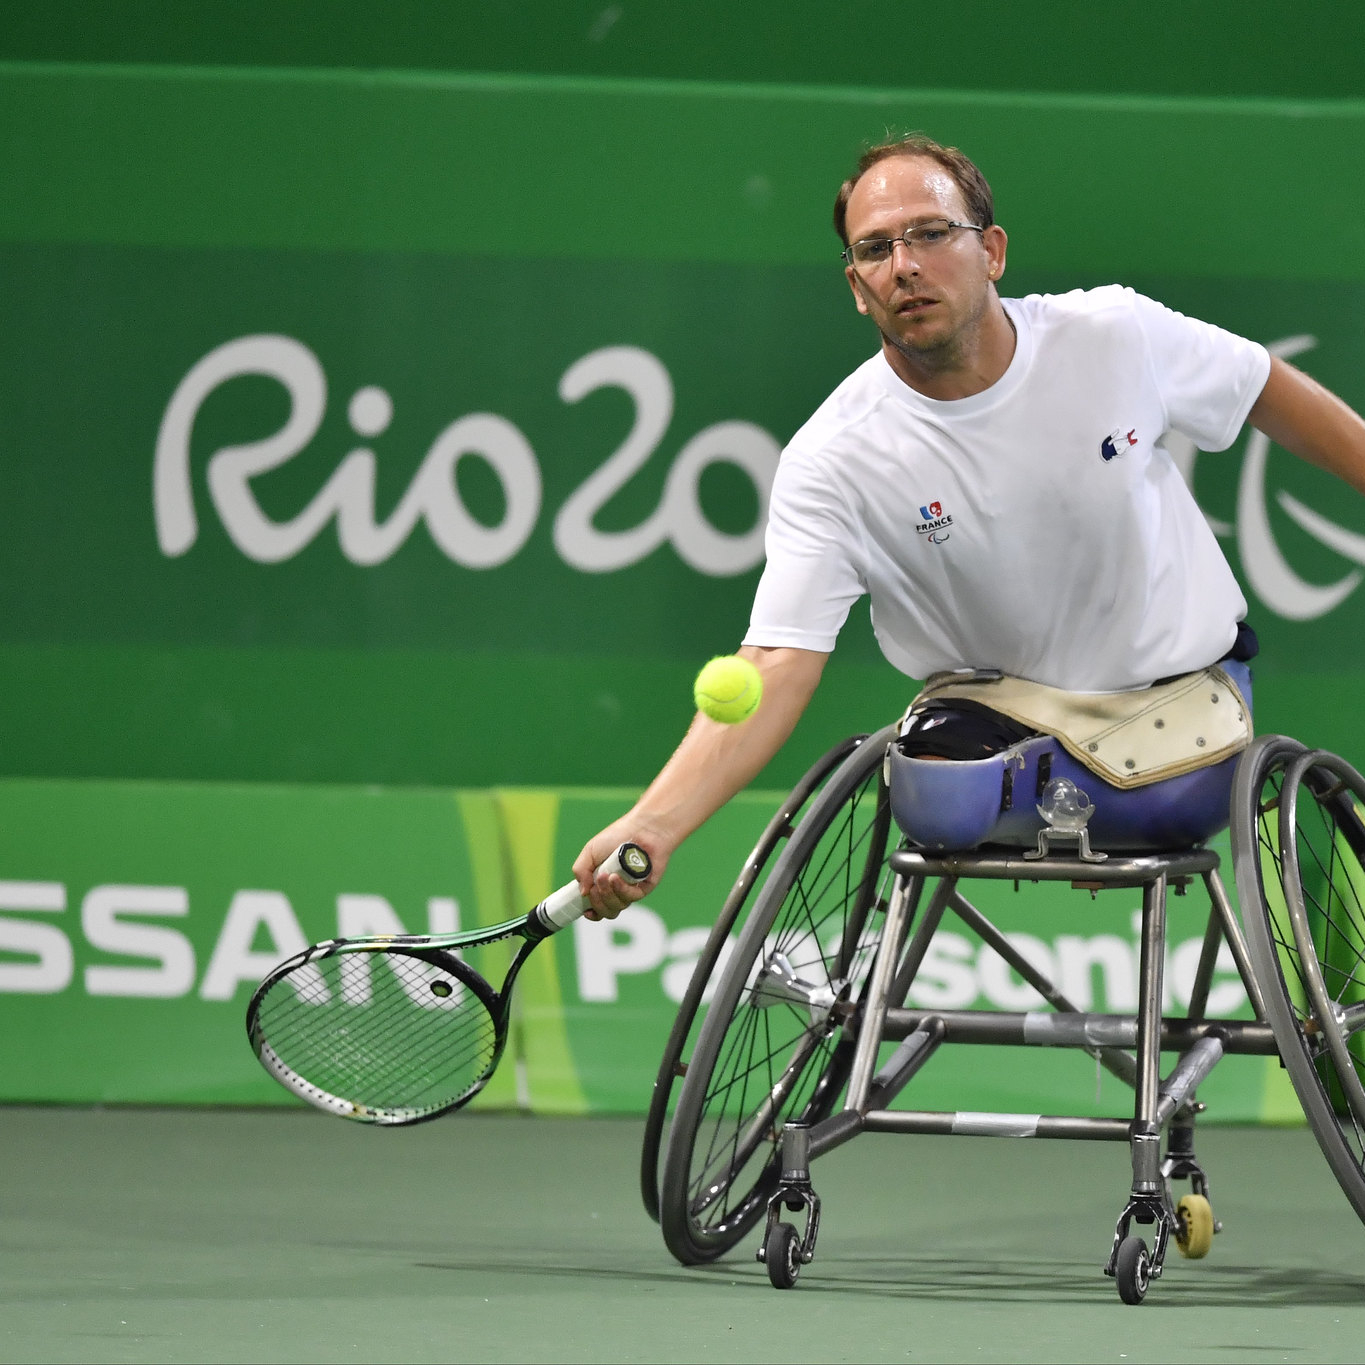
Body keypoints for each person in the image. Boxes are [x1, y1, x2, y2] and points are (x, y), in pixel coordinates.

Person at [574, 132, 1365, 918]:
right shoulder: (834, 457)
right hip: (998, 749)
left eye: (928, 233)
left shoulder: (1114, 335)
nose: (903, 265)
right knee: (930, 785)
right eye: (875, 249)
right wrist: (655, 822)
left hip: (1181, 730)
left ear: (990, 250)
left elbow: (1264, 389)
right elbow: (777, 658)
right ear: (856, 286)